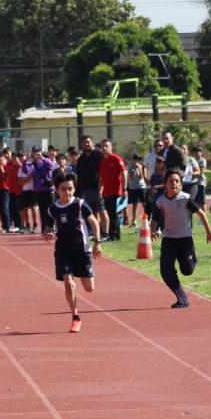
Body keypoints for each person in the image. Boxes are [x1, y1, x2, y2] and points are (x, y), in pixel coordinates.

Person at [44, 171, 101, 332]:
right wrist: (46, 235)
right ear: (57, 190)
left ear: (74, 189)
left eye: (70, 189)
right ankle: (75, 317)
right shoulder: (52, 209)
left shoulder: (80, 204)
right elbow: (47, 229)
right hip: (63, 250)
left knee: (89, 288)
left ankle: (86, 273)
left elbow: (94, 222)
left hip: (82, 250)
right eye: (63, 189)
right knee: (68, 281)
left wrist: (97, 242)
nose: (67, 192)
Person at [151, 168, 211, 308]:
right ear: (165, 184)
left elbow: (201, 214)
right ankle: (182, 297)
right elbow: (155, 220)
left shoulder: (186, 198)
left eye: (176, 181)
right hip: (169, 239)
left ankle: (190, 259)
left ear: (180, 184)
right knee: (166, 270)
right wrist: (154, 231)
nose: (173, 184)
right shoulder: (160, 201)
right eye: (170, 181)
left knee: (187, 270)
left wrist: (209, 232)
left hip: (185, 239)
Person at [98, 138, 125, 241]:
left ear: (111, 147)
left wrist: (124, 189)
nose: (104, 148)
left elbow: (124, 174)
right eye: (102, 146)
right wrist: (100, 191)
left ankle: (113, 235)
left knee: (114, 214)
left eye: (106, 146)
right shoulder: (102, 162)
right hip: (106, 192)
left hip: (116, 191)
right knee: (110, 214)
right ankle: (115, 235)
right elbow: (101, 179)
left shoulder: (117, 159)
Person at [73, 135, 103, 223]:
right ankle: (96, 233)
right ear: (81, 145)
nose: (86, 144)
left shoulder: (99, 155)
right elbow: (79, 175)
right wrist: (77, 191)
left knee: (102, 211)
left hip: (98, 189)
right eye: (84, 143)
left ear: (92, 143)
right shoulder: (81, 159)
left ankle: (105, 232)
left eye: (88, 142)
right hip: (86, 190)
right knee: (92, 212)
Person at [125, 154, 147, 229]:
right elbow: (131, 178)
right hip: (133, 188)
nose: (137, 161)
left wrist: (140, 168)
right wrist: (135, 169)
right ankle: (134, 220)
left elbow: (142, 177)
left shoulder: (141, 166)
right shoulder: (130, 168)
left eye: (138, 160)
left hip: (141, 187)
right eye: (136, 159)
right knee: (134, 204)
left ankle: (147, 218)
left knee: (144, 203)